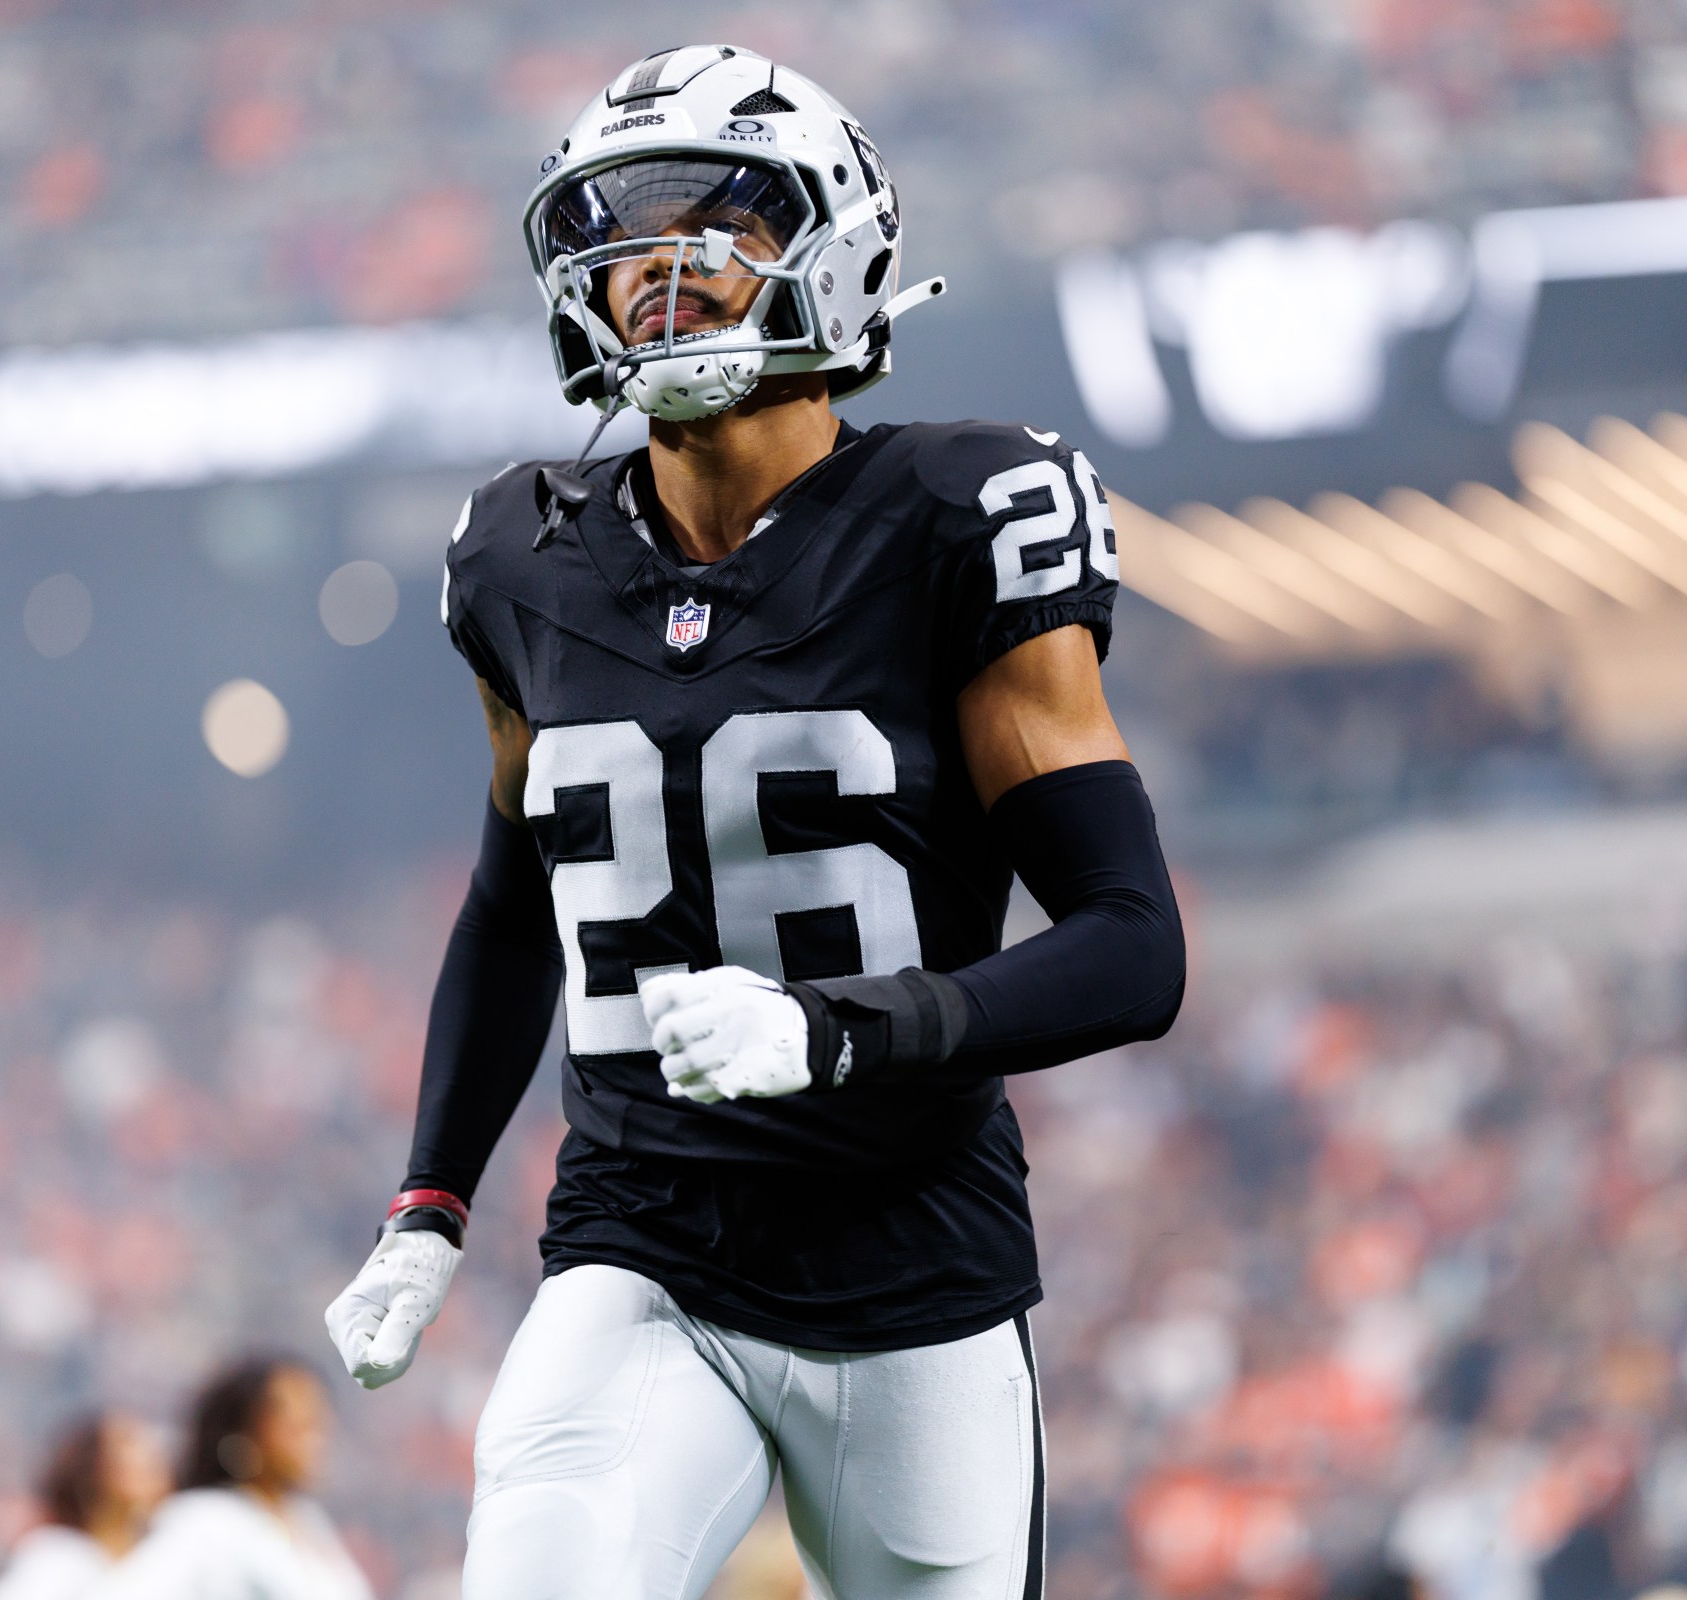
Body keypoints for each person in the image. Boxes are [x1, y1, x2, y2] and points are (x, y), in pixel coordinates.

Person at [325, 43, 1184, 1600]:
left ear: (836, 243)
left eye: (717, 228)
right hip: (642, 1243)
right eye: (627, 233)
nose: (660, 271)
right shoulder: (524, 554)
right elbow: (519, 904)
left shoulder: (960, 517)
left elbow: (1134, 949)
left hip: (911, 1265)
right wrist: (430, 1202)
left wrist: (842, 1029)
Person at [97, 1357, 370, 1600]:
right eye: (296, 1425)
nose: (315, 1439)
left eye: (317, 1422)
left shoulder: (309, 1521)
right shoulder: (207, 1520)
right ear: (247, 1433)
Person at [0, 1412, 169, 1600]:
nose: (150, 1451)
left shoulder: (161, 1554)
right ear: (94, 1468)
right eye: (128, 1441)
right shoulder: (60, 1555)